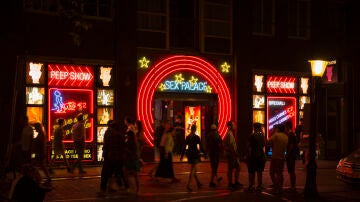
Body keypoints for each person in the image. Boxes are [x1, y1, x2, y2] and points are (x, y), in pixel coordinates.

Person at [98, 120, 128, 197]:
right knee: (117, 173)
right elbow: (123, 147)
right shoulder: (120, 136)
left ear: (113, 128)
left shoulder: (111, 136)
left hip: (111, 158)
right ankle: (120, 187)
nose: (110, 129)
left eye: (111, 128)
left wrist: (105, 154)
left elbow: (106, 146)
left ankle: (104, 189)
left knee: (107, 174)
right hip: (116, 158)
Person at [180, 124, 206, 192]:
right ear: (195, 130)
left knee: (194, 169)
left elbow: (184, 146)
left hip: (189, 154)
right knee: (193, 170)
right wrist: (205, 154)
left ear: (191, 129)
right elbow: (201, 146)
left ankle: (198, 183)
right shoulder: (197, 137)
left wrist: (182, 156)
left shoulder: (188, 137)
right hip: (195, 154)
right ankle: (188, 185)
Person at [245, 122, 266, 193]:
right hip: (261, 155)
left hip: (253, 156)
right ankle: (259, 185)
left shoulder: (252, 136)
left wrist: (247, 155)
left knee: (251, 171)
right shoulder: (262, 135)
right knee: (259, 171)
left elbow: (249, 147)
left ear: (254, 127)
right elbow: (264, 145)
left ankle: (251, 186)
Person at [268, 124, 288, 195]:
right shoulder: (286, 136)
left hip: (275, 156)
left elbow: (269, 143)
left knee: (272, 172)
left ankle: (276, 186)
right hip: (282, 157)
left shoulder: (276, 135)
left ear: (278, 129)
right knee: (280, 173)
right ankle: (280, 187)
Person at [223, 120, 242, 190]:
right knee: (231, 169)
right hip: (232, 154)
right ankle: (230, 183)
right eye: (233, 125)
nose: (235, 126)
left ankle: (235, 182)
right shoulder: (229, 134)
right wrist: (235, 153)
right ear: (230, 126)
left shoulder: (230, 133)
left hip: (232, 154)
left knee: (237, 167)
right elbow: (231, 145)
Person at [123, 126, 141, 194]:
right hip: (130, 160)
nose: (126, 136)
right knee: (130, 175)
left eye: (127, 135)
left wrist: (127, 150)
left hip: (131, 160)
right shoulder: (132, 142)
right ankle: (134, 189)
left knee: (133, 175)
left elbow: (133, 152)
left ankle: (135, 189)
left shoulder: (132, 143)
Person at [285, 121, 297, 193]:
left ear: (288, 126)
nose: (285, 128)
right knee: (291, 171)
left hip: (291, 155)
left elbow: (291, 145)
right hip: (292, 155)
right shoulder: (292, 134)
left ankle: (293, 187)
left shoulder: (290, 134)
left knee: (291, 171)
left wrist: (287, 154)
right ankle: (292, 186)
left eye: (286, 126)